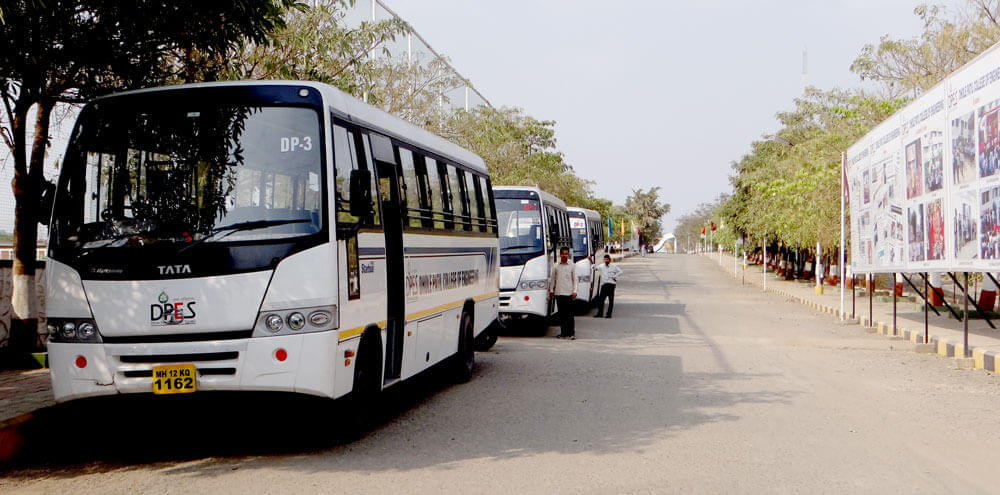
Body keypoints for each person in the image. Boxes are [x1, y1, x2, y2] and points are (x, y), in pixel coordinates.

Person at [549, 246, 578, 339]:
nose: (565, 255)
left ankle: (571, 333)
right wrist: (552, 290)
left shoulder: (572, 265)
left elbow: (575, 279)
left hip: (569, 293)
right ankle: (563, 333)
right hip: (559, 293)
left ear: (568, 254)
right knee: (562, 315)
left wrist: (575, 291)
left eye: (566, 254)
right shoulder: (556, 265)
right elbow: (553, 279)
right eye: (563, 254)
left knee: (570, 315)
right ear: (560, 254)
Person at [594, 254, 623, 318]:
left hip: (611, 284)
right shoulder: (601, 266)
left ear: (609, 259)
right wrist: (591, 263)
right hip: (604, 284)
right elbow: (595, 268)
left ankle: (609, 314)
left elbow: (621, 271)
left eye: (607, 259)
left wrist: (614, 276)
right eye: (605, 259)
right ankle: (600, 313)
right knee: (601, 300)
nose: (606, 261)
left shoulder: (613, 266)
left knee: (610, 300)